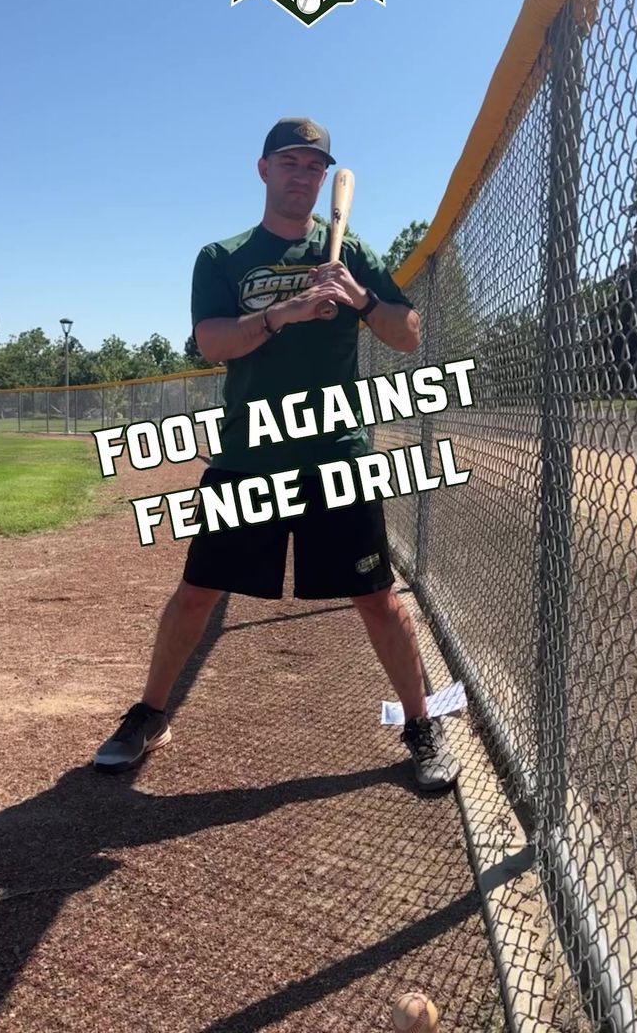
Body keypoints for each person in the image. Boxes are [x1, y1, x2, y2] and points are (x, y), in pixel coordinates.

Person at [94, 117, 460, 790]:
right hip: (248, 455)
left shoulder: (353, 253)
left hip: (336, 456)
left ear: (325, 181)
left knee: (376, 597)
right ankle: (148, 714)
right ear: (263, 170)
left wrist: (361, 298)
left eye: (314, 167)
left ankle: (420, 723)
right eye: (289, 163)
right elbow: (212, 344)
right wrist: (277, 316)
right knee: (198, 591)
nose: (303, 175)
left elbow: (406, 335)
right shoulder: (223, 257)